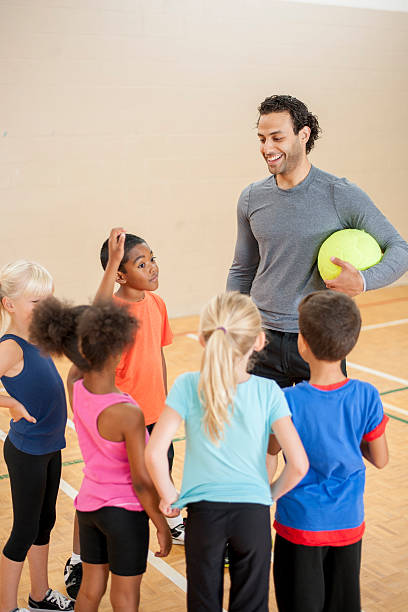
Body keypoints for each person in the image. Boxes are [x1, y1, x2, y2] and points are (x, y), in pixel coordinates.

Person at [226, 94, 408, 387]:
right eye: (261, 139)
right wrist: (233, 324)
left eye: (277, 138)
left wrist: (363, 281)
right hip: (261, 339)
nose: (267, 148)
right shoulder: (251, 198)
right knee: (264, 432)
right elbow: (242, 269)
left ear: (303, 134)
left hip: (320, 336)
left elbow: (400, 249)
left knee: (322, 432)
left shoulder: (340, 193)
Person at [145, 291, 309, 612]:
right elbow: (299, 465)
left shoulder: (187, 384)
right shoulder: (269, 391)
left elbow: (154, 453)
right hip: (253, 516)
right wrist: (268, 494)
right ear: (260, 341)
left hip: (204, 517)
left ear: (204, 339)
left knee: (203, 603)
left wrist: (169, 496)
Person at [30, 297, 172, 612]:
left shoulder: (76, 387)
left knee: (91, 591)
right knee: (125, 597)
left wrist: (110, 270)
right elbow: (140, 481)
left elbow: (79, 352)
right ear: (117, 349)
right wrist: (160, 523)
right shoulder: (127, 413)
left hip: (89, 508)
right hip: (124, 514)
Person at [269, 290, 389, 612]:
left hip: (299, 523)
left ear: (302, 343)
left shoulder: (286, 401)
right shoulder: (367, 395)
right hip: (348, 522)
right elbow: (380, 458)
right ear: (350, 342)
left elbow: (270, 452)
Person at [93, 227, 185, 543]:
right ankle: (104, 536)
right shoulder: (111, 312)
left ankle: (171, 521)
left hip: (156, 409)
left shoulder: (157, 304)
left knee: (164, 466)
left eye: (152, 259)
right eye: (141, 264)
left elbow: (157, 353)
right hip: (125, 415)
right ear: (119, 275)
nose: (152, 267)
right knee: (126, 478)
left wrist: (165, 398)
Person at [0, 260, 74, 612]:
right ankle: (7, 607)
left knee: (45, 523)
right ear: (9, 304)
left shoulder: (38, 336)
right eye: (35, 303)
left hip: (49, 447)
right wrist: (10, 402)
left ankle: (40, 596)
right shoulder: (10, 347)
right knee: (24, 531)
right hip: (27, 452)